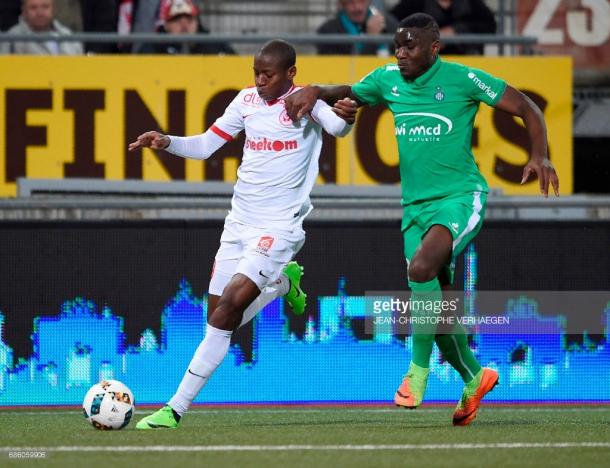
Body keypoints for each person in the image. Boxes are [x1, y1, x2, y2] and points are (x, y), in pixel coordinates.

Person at [285, 13, 559, 426]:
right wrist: (317, 91)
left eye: (410, 47)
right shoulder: (387, 80)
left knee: (421, 267)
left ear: (434, 48)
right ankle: (474, 376)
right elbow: (349, 93)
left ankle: (417, 372)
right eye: (397, 46)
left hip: (459, 198)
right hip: (414, 209)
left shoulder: (464, 79)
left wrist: (539, 154)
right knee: (440, 305)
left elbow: (526, 106)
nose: (401, 53)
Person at [129, 39, 356, 429]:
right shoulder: (246, 101)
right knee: (217, 317)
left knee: (230, 307)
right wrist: (167, 142)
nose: (260, 80)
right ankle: (284, 285)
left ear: (291, 74)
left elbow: (339, 127)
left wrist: (348, 113)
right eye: (256, 73)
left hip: (278, 226)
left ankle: (173, 409)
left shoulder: (307, 101)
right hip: (239, 223)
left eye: (268, 74)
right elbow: (205, 146)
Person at [390, 0, 496, 55]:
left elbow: (490, 26)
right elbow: (393, 23)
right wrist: (427, 36)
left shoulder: (471, 3)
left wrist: (456, 31)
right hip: (425, 66)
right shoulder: (415, 2)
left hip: (466, 64)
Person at [137, 0, 234, 55]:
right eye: (176, 19)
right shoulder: (153, 48)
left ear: (197, 23)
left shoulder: (215, 46)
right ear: (166, 25)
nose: (184, 24)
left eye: (189, 19)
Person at [316, 0, 398, 56]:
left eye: (362, 1)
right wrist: (370, 38)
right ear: (342, 5)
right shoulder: (328, 31)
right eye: (351, 2)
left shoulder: (388, 23)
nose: (358, 8)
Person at [0, 0, 83, 55]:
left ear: (53, 9)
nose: (40, 13)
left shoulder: (68, 35)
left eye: (45, 7)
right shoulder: (12, 38)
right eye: (33, 8)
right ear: (24, 11)